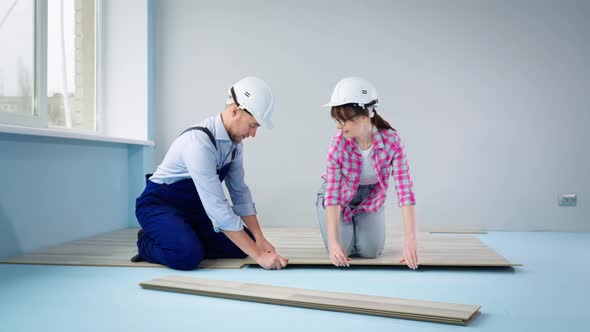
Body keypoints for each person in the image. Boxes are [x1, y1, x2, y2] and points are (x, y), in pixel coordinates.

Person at [132, 77, 288, 270]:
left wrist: (259, 240)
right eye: (253, 125)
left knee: (242, 247)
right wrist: (259, 256)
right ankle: (147, 241)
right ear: (234, 111)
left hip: (195, 210)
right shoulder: (198, 143)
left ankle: (181, 235)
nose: (253, 134)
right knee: (187, 256)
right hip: (159, 206)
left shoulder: (235, 145)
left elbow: (239, 193)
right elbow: (217, 208)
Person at [316, 77, 419, 269]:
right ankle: (344, 230)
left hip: (370, 199)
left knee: (370, 252)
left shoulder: (392, 141)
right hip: (339, 198)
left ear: (365, 115)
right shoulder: (337, 144)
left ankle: (359, 225)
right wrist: (333, 243)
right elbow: (332, 194)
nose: (338, 126)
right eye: (336, 120)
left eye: (343, 120)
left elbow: (405, 191)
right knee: (342, 251)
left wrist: (410, 240)